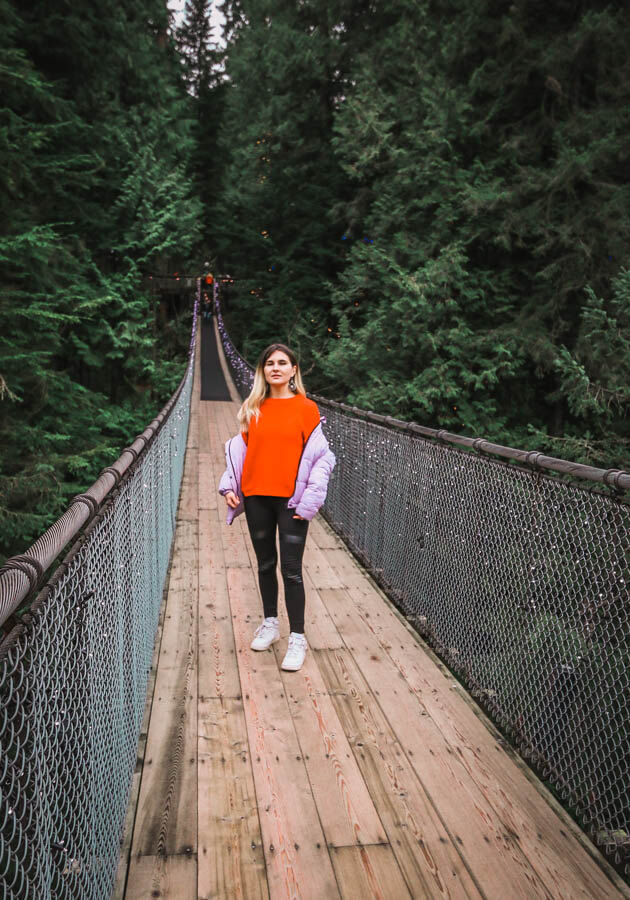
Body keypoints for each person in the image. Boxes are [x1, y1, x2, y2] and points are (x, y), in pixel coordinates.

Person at [218, 343, 335, 672]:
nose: (276, 368)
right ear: (263, 371)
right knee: (266, 563)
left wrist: (311, 502)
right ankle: (271, 623)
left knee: (292, 569)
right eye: (270, 363)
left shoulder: (307, 409)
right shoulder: (253, 407)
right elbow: (240, 452)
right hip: (256, 495)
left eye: (283, 363)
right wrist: (229, 485)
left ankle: (297, 637)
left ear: (293, 370)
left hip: (291, 500)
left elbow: (320, 460)